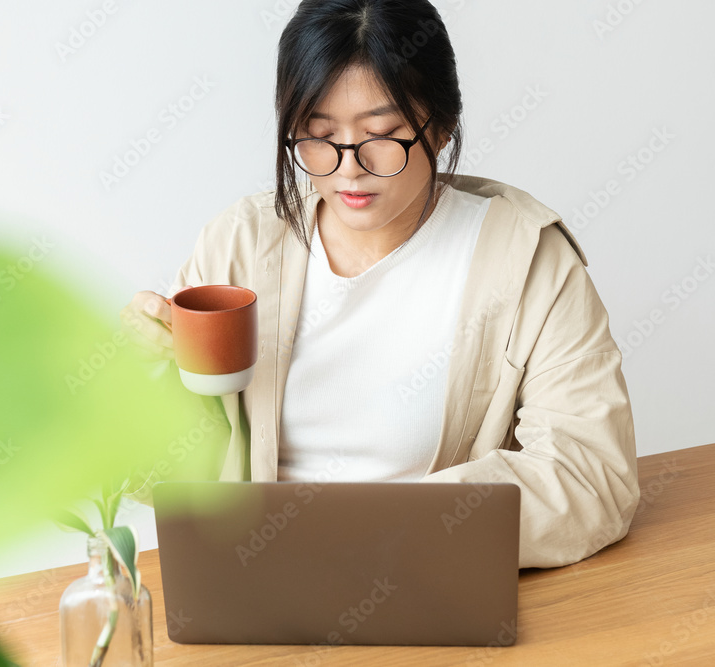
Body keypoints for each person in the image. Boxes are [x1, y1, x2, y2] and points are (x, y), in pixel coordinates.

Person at [120, 0, 638, 569]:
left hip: (425, 573)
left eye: (383, 134)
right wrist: (142, 376)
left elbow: (592, 474)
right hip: (260, 580)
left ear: (440, 127)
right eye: (317, 136)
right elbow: (161, 476)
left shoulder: (526, 257)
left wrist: (390, 532)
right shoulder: (239, 245)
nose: (349, 167)